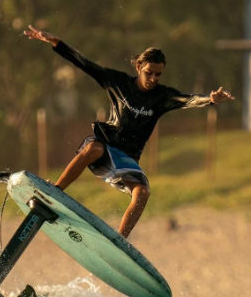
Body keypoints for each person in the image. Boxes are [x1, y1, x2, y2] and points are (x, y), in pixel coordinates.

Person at [24, 25, 234, 238]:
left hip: (127, 159)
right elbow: (85, 64)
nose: (153, 79)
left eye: (158, 75)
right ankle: (57, 190)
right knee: (93, 148)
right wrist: (56, 43)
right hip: (107, 145)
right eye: (148, 73)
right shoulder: (118, 82)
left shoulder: (162, 96)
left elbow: (188, 100)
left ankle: (120, 240)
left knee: (142, 193)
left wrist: (210, 99)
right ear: (139, 67)